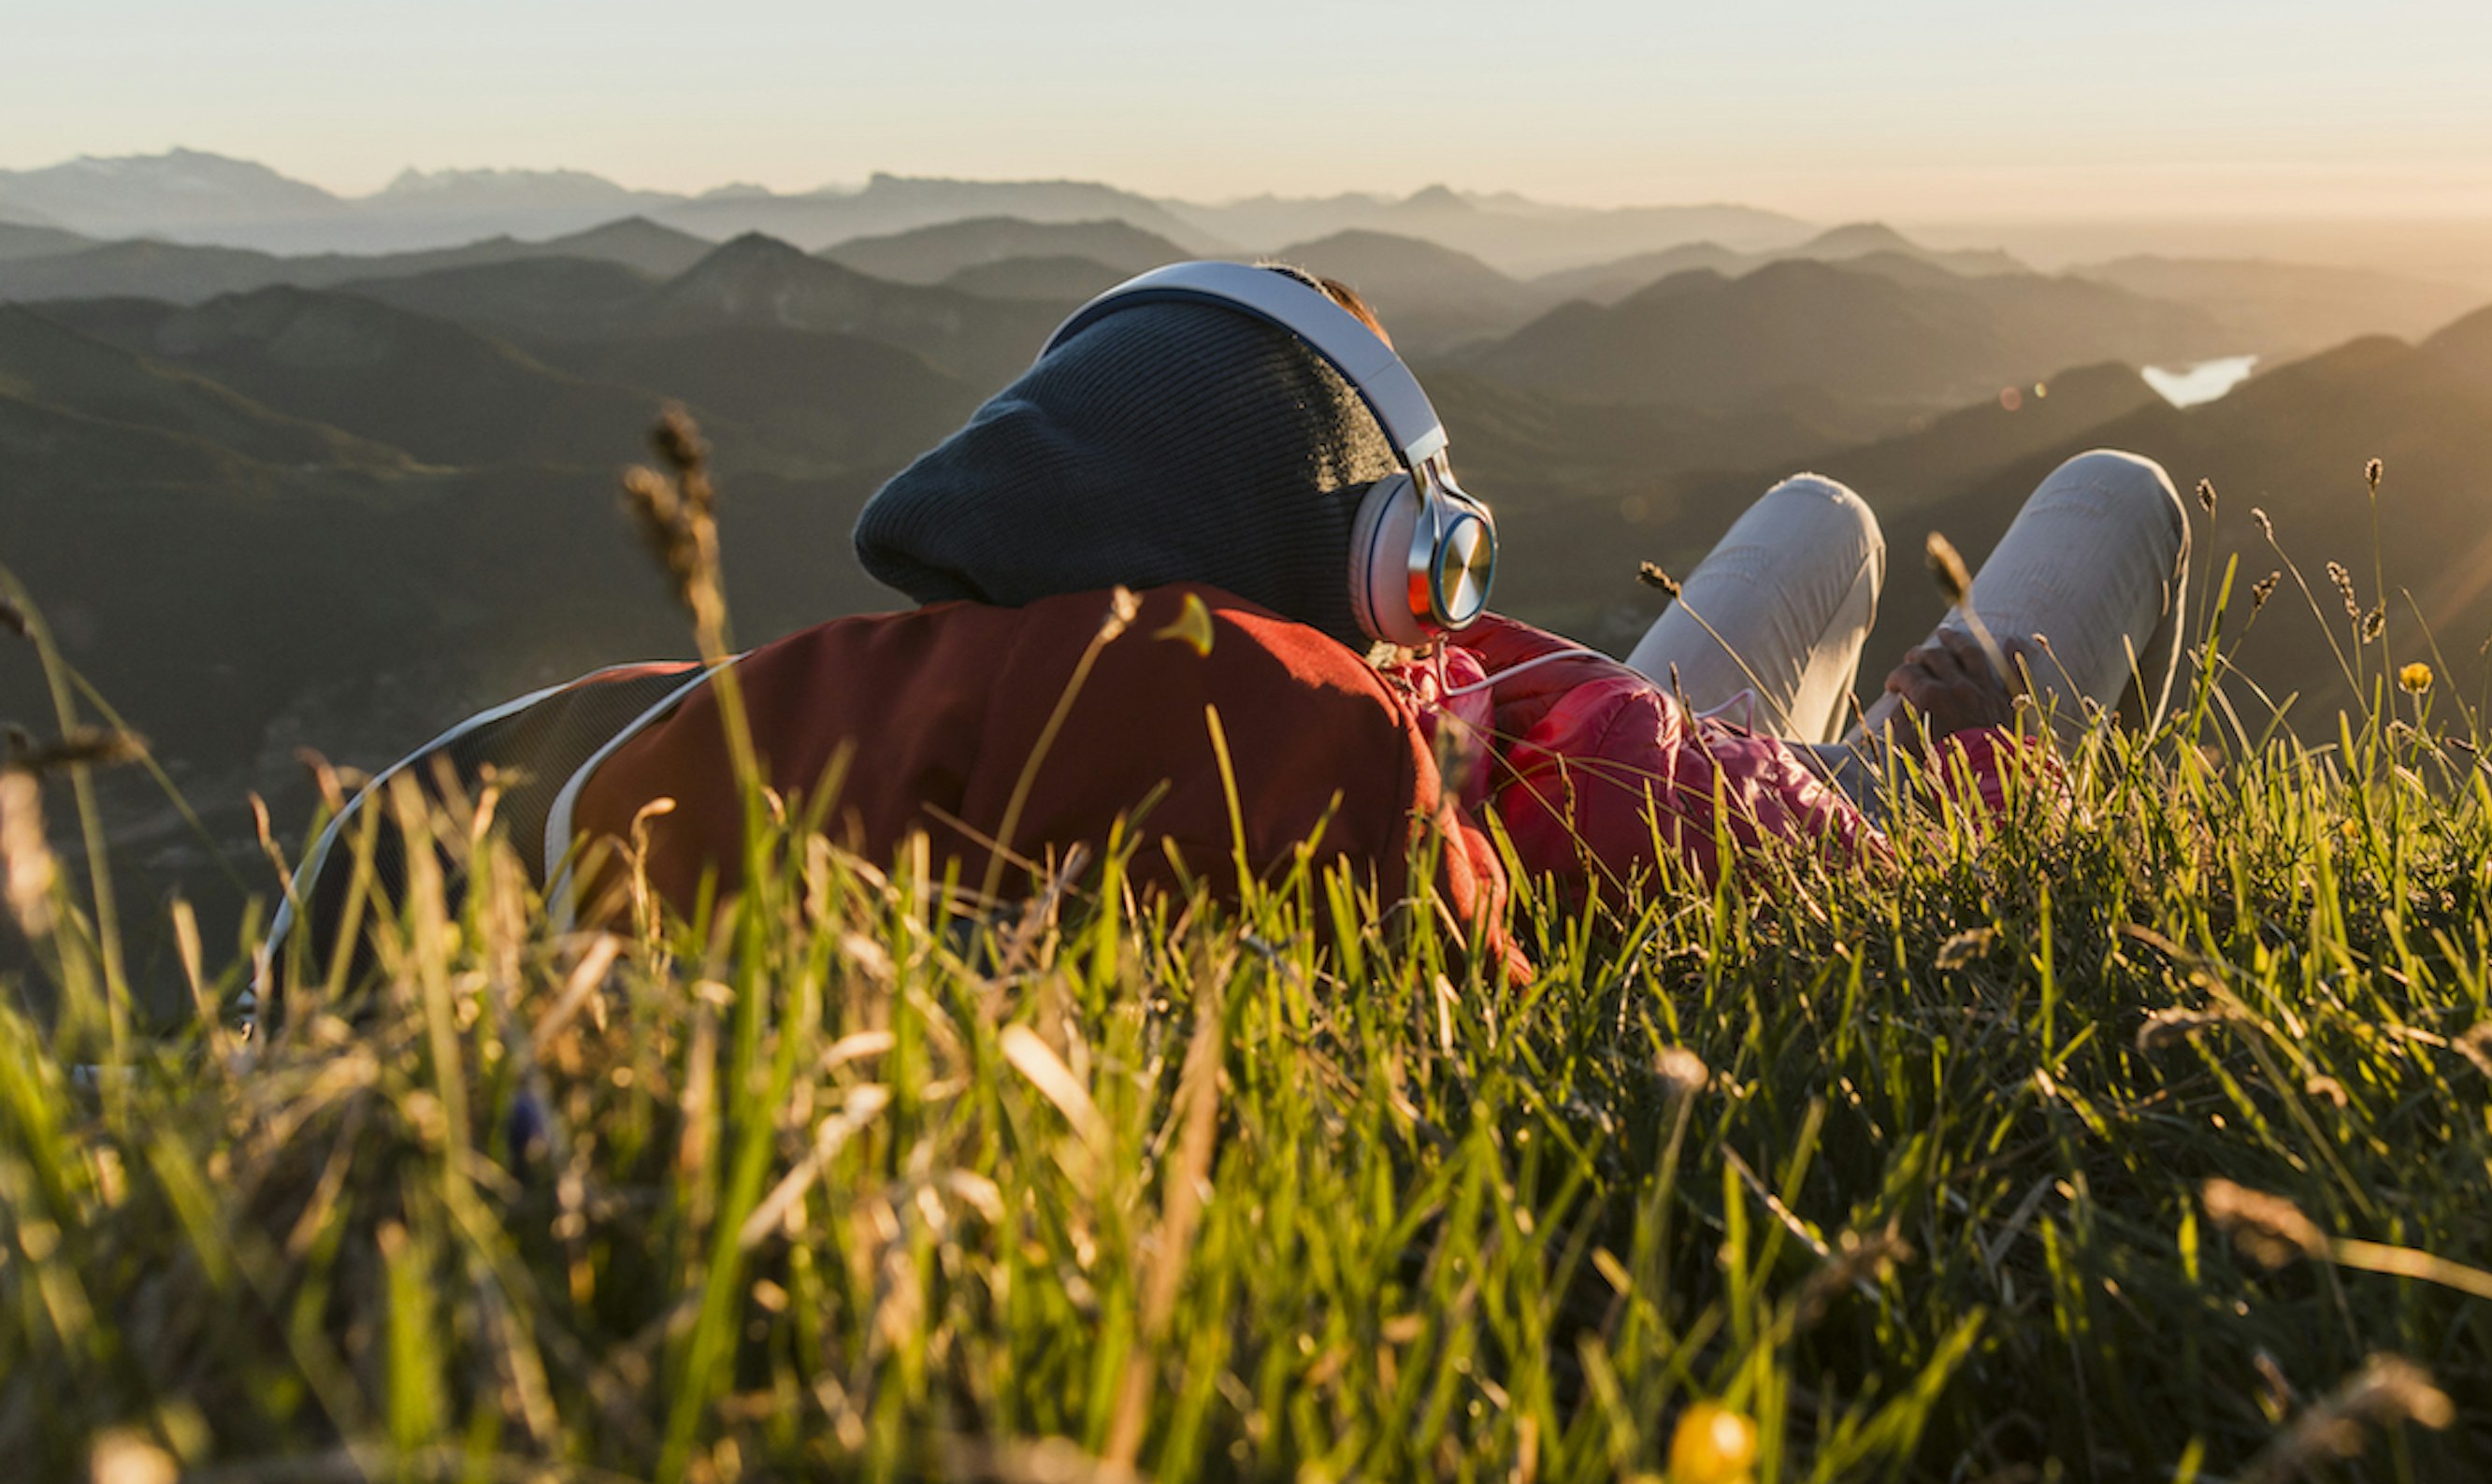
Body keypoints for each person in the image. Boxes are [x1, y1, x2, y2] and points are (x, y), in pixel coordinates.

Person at [540, 265, 2191, 958]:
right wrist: (1975, 764)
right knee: (2118, 492)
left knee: (1826, 517)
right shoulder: (1338, 757)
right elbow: (1852, 874)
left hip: (1569, 737)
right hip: (1754, 804)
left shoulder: (998, 686)